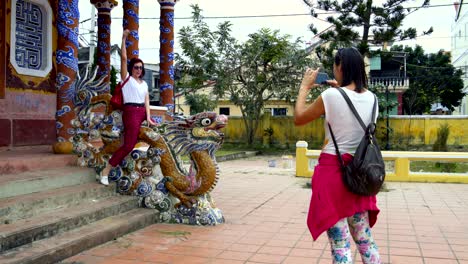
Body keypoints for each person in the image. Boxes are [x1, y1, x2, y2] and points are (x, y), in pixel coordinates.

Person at [294, 47, 381, 264]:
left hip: (333, 174)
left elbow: (299, 117)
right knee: (365, 240)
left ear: (340, 66)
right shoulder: (373, 99)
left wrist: (304, 87)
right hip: (361, 175)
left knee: (340, 243)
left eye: (335, 66)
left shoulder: (331, 95)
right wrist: (339, 92)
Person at [99, 29, 156, 185]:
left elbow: (146, 100)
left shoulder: (144, 83)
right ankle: (106, 170)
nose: (138, 70)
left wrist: (149, 117)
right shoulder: (127, 79)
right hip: (130, 112)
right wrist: (123, 38)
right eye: (136, 67)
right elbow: (123, 58)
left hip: (142, 112)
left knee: (158, 131)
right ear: (131, 68)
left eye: (140, 68)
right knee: (129, 145)